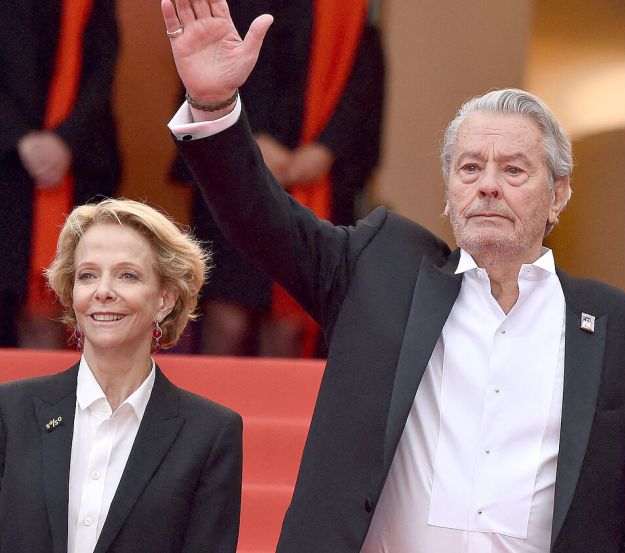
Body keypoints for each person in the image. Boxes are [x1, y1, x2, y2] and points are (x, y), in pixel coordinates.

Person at [160, 1, 625, 551]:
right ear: (449, 190)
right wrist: (213, 106)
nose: (488, 185)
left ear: (559, 194)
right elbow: (260, 218)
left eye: (514, 169)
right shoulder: (381, 271)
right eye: (470, 167)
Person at [0, 199, 243, 553]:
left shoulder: (211, 433)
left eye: (127, 275)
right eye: (87, 275)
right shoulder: (9, 411)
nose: (103, 291)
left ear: (165, 300)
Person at [168, 0, 385, 357]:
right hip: (236, 168)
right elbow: (206, 71)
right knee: (227, 318)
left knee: (290, 327)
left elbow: (363, 85)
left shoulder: (351, 9)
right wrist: (244, 138)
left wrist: (327, 148)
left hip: (317, 178)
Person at [0, 0, 122, 348]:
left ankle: (54, 402)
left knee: (56, 311)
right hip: (7, 163)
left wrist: (65, 141)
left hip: (78, 163)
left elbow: (103, 67)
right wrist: (20, 139)